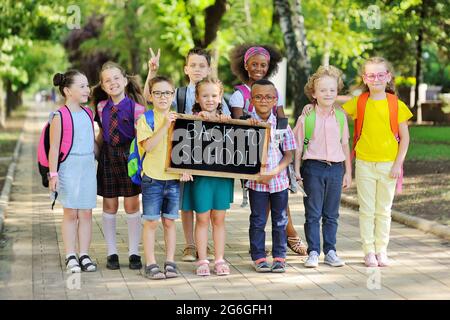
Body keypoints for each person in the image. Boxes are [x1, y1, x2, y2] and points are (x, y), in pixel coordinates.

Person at [144, 47, 230, 262]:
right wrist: (152, 72)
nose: (197, 69)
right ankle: (190, 245)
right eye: (193, 65)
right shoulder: (179, 93)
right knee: (186, 202)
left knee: (202, 204)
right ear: (186, 69)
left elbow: (228, 122)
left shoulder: (216, 93)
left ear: (209, 68)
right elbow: (150, 98)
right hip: (184, 156)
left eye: (202, 65)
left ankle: (204, 245)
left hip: (209, 159)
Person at [229, 44, 307, 256]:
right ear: (245, 66)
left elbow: (281, 121)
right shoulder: (240, 95)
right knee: (260, 211)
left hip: (275, 157)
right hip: (253, 161)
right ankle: (262, 247)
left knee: (279, 205)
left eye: (263, 65)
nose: (258, 68)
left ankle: (288, 238)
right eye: (254, 64)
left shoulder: (274, 92)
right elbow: (237, 127)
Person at [342, 57, 412, 267]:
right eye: (371, 75)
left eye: (381, 75)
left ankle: (382, 250)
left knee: (384, 210)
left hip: (388, 165)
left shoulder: (396, 105)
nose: (376, 79)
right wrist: (314, 105)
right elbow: (334, 109)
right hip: (364, 163)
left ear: (388, 77)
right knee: (367, 210)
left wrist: (398, 164)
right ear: (365, 78)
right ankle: (368, 251)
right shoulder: (360, 102)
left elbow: (405, 138)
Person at [293, 66, 351, 268]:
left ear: (337, 92)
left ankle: (331, 251)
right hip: (313, 168)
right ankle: (313, 252)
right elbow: (298, 147)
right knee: (313, 213)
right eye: (323, 90)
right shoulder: (306, 117)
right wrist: (297, 171)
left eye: (332, 90)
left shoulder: (341, 117)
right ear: (314, 93)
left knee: (332, 214)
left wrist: (348, 173)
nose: (328, 94)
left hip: (336, 169)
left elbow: (345, 146)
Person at [92, 61, 146, 270]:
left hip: (129, 157)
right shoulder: (101, 106)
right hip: (107, 157)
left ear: (124, 80)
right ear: (103, 86)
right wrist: (92, 153)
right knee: (109, 206)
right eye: (107, 80)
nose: (112, 83)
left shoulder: (137, 108)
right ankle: (111, 252)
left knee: (132, 205)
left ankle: (134, 252)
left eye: (116, 78)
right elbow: (101, 135)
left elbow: (141, 138)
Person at [136, 76, 191, 279]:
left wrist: (186, 169)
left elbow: (186, 150)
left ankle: (170, 261)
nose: (163, 97)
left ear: (173, 94)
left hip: (173, 179)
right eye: (157, 93)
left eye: (167, 93)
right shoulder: (146, 119)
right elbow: (148, 146)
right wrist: (165, 126)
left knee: (169, 221)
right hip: (152, 179)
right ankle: (150, 263)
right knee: (151, 222)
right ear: (150, 96)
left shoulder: (181, 119)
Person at [180, 77, 234, 276]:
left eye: (214, 95)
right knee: (202, 218)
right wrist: (184, 168)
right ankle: (202, 259)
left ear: (220, 97)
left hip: (221, 176)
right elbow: (183, 147)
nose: (210, 99)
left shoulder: (227, 121)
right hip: (201, 177)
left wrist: (229, 126)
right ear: (197, 97)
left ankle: (219, 258)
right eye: (205, 95)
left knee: (219, 218)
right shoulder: (190, 120)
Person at [49, 70, 97, 273]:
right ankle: (70, 254)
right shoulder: (59, 116)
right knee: (70, 213)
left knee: (86, 213)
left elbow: (92, 143)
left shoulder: (88, 113)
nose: (87, 89)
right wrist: (53, 174)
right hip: (69, 168)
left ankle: (84, 253)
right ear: (68, 91)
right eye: (82, 86)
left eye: (87, 85)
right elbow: (54, 147)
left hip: (87, 167)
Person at [246, 79, 296, 273]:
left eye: (268, 97)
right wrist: (258, 174)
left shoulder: (282, 125)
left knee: (280, 220)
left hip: (279, 182)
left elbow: (289, 155)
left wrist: (274, 172)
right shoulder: (246, 123)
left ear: (275, 100)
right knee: (258, 220)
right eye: (258, 97)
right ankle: (258, 257)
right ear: (251, 100)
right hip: (256, 183)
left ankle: (279, 256)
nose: (263, 101)